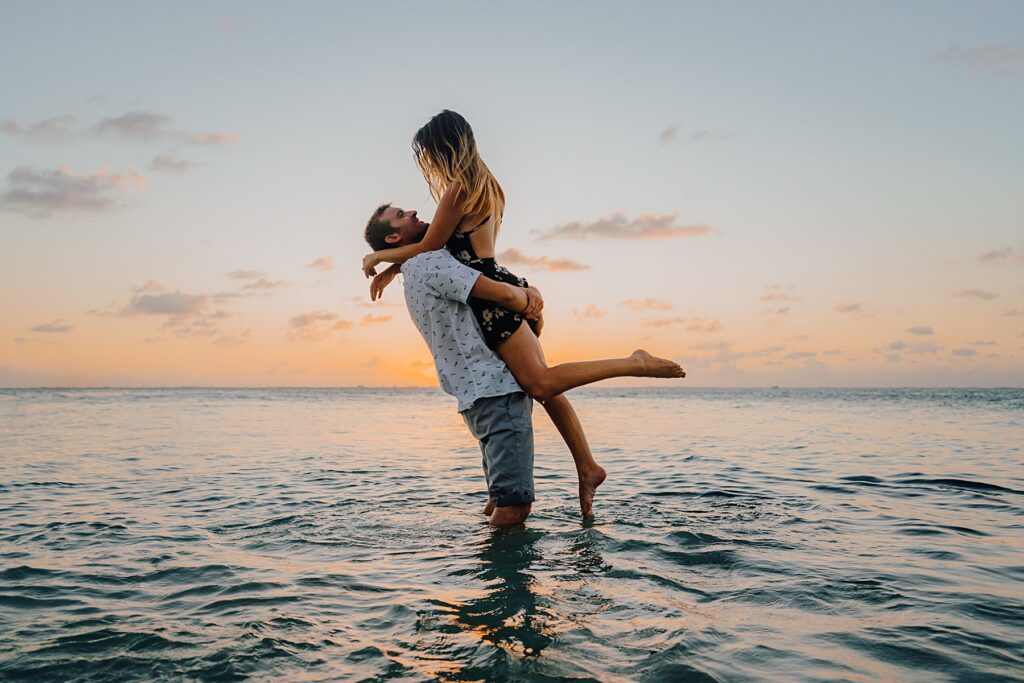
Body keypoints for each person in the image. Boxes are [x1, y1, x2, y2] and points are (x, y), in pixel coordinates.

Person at [362, 110, 685, 518]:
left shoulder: (457, 189)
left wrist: (381, 257)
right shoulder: (487, 185)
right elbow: (435, 246)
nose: (426, 165)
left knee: (541, 382)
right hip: (500, 281)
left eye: (427, 155)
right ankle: (586, 466)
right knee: (542, 386)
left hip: (489, 297)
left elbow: (431, 248)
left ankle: (633, 363)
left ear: (442, 149)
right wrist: (393, 266)